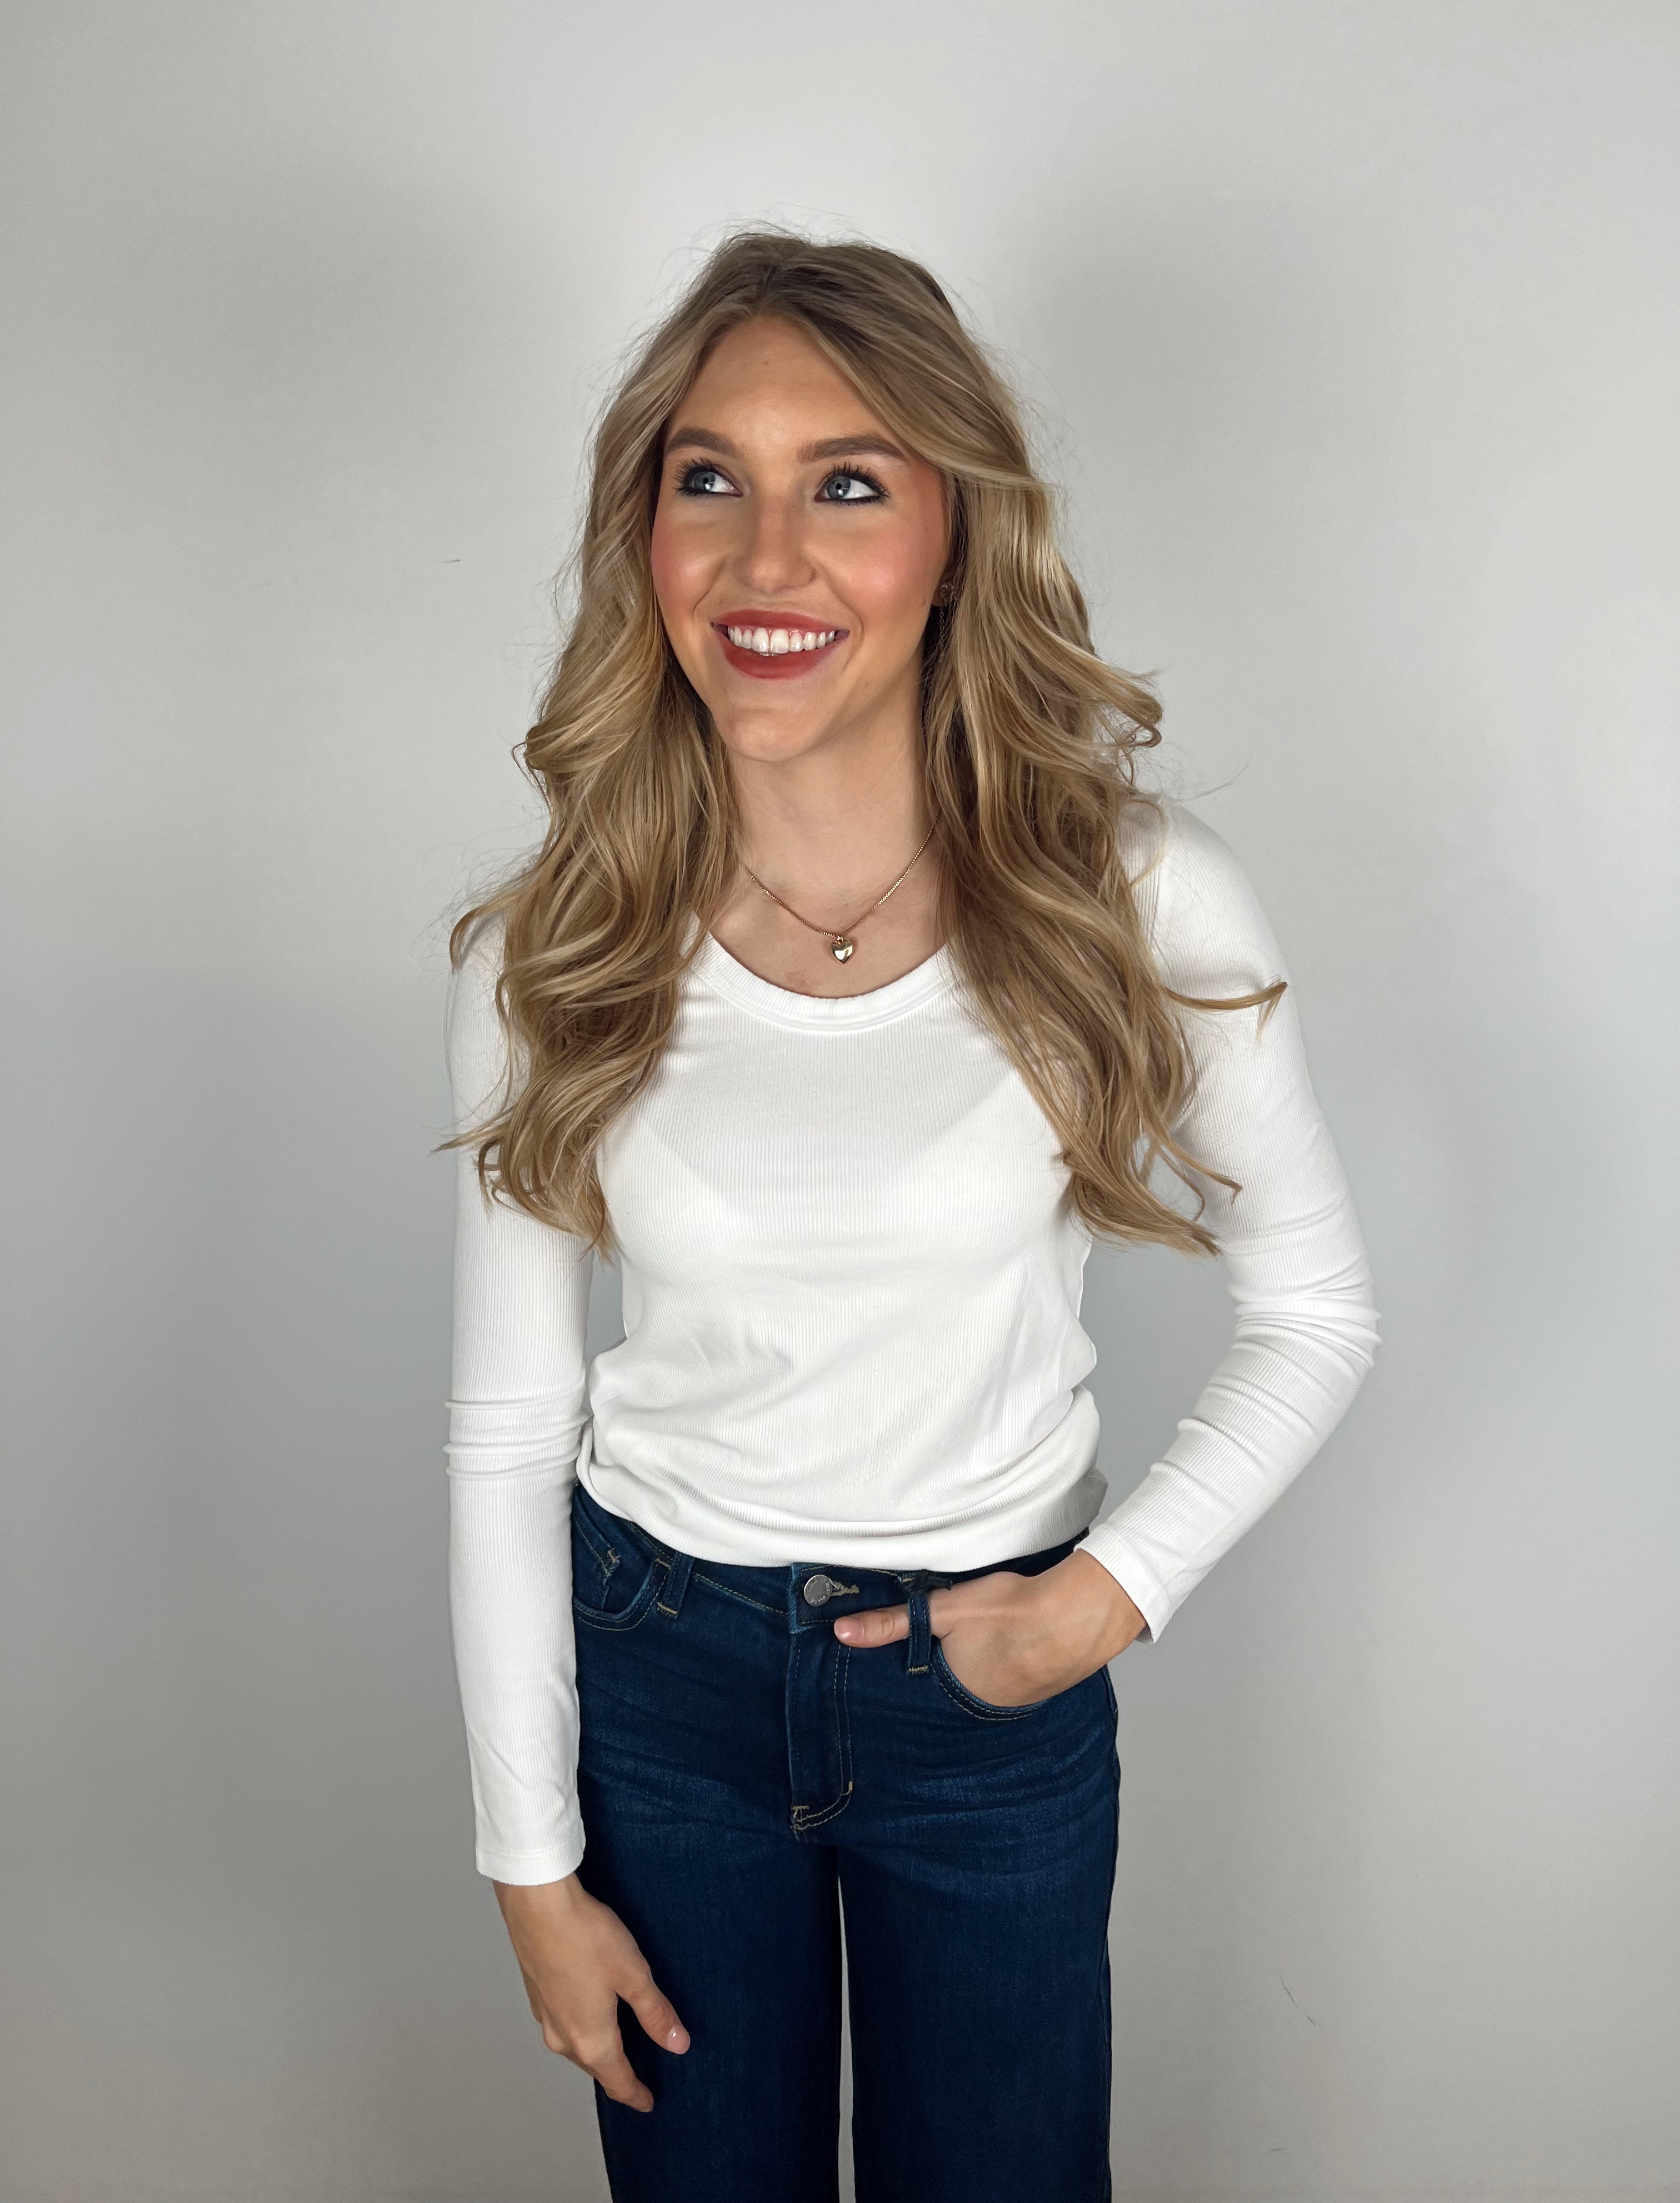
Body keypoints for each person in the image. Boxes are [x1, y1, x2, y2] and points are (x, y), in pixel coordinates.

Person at [441, 228, 1379, 2203]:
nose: (765, 558)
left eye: (849, 484)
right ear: (647, 532)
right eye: (711, 479)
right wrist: (530, 1865)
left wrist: (1098, 1604)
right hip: (663, 1687)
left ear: (957, 535)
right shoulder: (567, 939)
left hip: (988, 1694)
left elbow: (1315, 1310)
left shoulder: (1134, 896)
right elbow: (513, 1429)